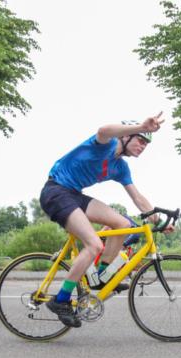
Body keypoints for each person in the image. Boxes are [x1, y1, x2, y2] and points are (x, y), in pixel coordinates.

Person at [40, 113, 171, 327]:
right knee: (93, 244)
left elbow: (137, 198)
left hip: (74, 195)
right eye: (140, 140)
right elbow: (103, 130)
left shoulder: (121, 167)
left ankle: (101, 275)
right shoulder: (106, 144)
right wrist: (140, 125)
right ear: (127, 137)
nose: (143, 146)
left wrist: (160, 222)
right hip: (56, 192)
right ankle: (61, 300)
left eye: (146, 145)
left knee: (123, 224)